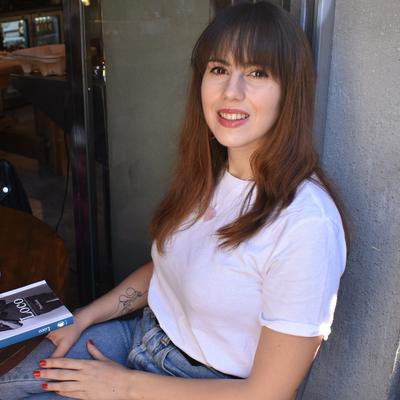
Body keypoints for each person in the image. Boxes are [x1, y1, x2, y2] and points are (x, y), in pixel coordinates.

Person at [0, 2, 348, 399]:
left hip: (202, 386)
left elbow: (266, 393)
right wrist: (84, 316)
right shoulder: (212, 173)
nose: (231, 92)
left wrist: (122, 386)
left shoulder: (306, 224)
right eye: (219, 69)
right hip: (144, 337)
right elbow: (167, 269)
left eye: (257, 73)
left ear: (293, 89)